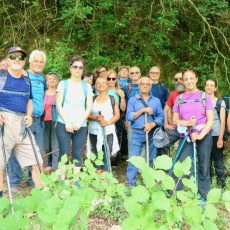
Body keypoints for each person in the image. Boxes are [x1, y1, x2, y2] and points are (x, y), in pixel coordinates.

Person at [0, 47, 43, 197]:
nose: (17, 59)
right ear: (7, 60)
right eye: (13, 56)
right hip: (4, 123)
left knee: (37, 162)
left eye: (20, 57)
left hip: (23, 125)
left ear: (24, 61)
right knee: (0, 164)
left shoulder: (26, 79)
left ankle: (41, 197)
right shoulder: (1, 77)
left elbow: (29, 101)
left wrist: (30, 115)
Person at [172, 69, 214, 201]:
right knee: (183, 163)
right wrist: (187, 122)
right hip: (186, 135)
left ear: (196, 79)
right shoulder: (179, 98)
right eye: (186, 79)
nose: (189, 81)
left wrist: (200, 135)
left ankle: (204, 195)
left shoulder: (204, 96)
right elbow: (175, 120)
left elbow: (210, 120)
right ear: (183, 82)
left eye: (191, 78)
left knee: (204, 164)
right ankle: (177, 194)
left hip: (203, 135)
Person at [8, 50, 46, 189]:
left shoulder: (43, 79)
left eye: (41, 61)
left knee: (36, 153)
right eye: (35, 60)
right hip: (22, 119)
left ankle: (33, 182)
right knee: (15, 149)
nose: (38, 63)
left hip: (38, 121)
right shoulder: (22, 75)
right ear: (29, 62)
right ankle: (14, 181)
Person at [56, 56, 93, 174]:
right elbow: (58, 105)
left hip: (80, 125)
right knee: (64, 153)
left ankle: (76, 182)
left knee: (78, 153)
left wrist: (79, 122)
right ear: (70, 68)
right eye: (75, 66)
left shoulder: (86, 86)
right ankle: (62, 182)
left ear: (83, 70)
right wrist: (67, 121)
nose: (78, 69)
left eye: (80, 67)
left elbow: (88, 107)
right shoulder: (63, 84)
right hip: (63, 123)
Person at [126, 77, 164, 186]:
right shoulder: (133, 99)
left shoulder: (156, 101)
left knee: (151, 159)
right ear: (139, 85)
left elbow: (161, 116)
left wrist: (152, 124)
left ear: (150, 86)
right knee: (133, 159)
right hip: (137, 133)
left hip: (151, 133)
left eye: (147, 84)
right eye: (142, 84)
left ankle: (149, 183)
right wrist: (143, 110)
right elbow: (129, 116)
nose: (145, 86)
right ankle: (130, 184)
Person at [88, 77, 120, 173]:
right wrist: (95, 118)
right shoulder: (92, 99)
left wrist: (108, 122)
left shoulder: (112, 99)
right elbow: (87, 115)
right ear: (95, 86)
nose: (101, 85)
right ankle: (98, 176)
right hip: (94, 130)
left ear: (107, 85)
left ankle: (106, 177)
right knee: (97, 154)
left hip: (108, 130)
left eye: (103, 83)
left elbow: (117, 115)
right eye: (98, 83)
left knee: (106, 154)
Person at [205, 79, 226, 189]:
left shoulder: (220, 102)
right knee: (206, 161)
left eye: (211, 85)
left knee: (218, 161)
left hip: (216, 135)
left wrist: (220, 138)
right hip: (204, 135)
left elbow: (222, 121)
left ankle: (222, 184)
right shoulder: (202, 101)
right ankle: (208, 184)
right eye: (207, 85)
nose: (209, 87)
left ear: (215, 88)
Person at [107, 70, 126, 167]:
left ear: (116, 79)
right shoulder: (102, 90)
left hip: (117, 118)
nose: (111, 81)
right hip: (106, 117)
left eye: (113, 78)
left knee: (116, 139)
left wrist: (122, 97)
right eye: (108, 78)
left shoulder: (119, 91)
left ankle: (114, 162)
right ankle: (105, 160)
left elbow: (123, 108)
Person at [162, 72, 184, 154]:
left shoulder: (193, 93)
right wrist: (166, 124)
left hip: (190, 128)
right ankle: (165, 166)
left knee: (183, 152)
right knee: (162, 143)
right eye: (176, 79)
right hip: (176, 127)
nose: (178, 81)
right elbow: (165, 109)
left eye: (181, 79)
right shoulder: (173, 94)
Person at [43, 72, 59, 173]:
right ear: (46, 81)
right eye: (49, 79)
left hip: (56, 121)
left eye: (54, 79)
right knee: (47, 145)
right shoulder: (43, 93)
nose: (52, 80)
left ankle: (55, 166)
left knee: (55, 144)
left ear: (57, 81)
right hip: (44, 121)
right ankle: (48, 165)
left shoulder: (59, 93)